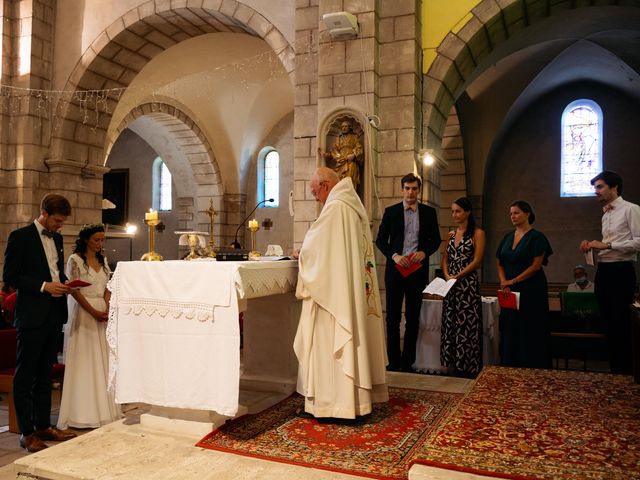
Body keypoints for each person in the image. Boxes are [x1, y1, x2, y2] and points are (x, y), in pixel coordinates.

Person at [294, 167, 388, 419]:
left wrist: (302, 255)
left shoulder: (336, 208)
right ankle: (354, 404)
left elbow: (318, 249)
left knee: (329, 346)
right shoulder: (351, 204)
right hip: (345, 292)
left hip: (333, 299)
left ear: (325, 185)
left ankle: (333, 406)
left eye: (315, 192)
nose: (316, 198)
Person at [2, 193, 76, 452]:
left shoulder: (56, 238)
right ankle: (26, 432)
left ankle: (44, 425)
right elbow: (10, 276)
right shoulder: (20, 237)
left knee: (45, 375)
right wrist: (44, 286)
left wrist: (66, 283)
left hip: (54, 314)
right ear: (43, 212)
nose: (60, 225)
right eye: (57, 220)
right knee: (25, 376)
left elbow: (55, 271)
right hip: (32, 315)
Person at [57, 223, 121, 430]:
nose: (100, 244)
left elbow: (108, 287)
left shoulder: (103, 261)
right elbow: (74, 291)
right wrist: (93, 311)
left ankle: (104, 410)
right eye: (96, 240)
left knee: (102, 360)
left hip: (102, 310)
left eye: (102, 240)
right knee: (85, 360)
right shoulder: (74, 260)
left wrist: (107, 307)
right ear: (86, 239)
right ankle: (82, 412)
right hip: (84, 312)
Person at [375, 173, 441, 372]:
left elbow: (435, 240)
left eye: (414, 188)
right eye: (407, 188)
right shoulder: (391, 212)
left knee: (413, 317)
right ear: (402, 190)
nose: (410, 192)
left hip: (417, 271)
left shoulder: (429, 213)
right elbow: (380, 241)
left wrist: (424, 252)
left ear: (419, 190)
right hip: (395, 270)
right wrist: (394, 255)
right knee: (393, 317)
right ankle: (393, 360)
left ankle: (408, 361)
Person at [580, 171, 640, 374]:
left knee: (621, 323)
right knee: (607, 324)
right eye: (595, 187)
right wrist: (591, 247)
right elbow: (607, 246)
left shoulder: (631, 209)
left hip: (621, 272)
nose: (595, 191)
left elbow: (638, 242)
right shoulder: (606, 214)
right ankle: (615, 371)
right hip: (604, 271)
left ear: (614, 187)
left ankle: (626, 372)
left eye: (599, 186)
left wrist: (607, 245)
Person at [496, 200, 553, 368]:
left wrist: (513, 281)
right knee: (510, 326)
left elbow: (536, 266)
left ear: (527, 214)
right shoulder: (507, 236)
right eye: (511, 213)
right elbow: (499, 261)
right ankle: (510, 363)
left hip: (531, 288)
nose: (513, 216)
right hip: (509, 289)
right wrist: (503, 282)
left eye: (516, 213)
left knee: (529, 326)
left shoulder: (537, 237)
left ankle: (532, 364)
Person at [440, 197, 485, 378]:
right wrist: (447, 276)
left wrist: (458, 275)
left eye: (458, 211)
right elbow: (445, 258)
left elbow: (477, 260)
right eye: (452, 211)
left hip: (467, 285)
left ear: (467, 212)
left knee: (467, 324)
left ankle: (467, 366)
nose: (454, 215)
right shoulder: (451, 234)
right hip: (451, 285)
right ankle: (452, 364)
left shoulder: (478, 233)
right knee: (451, 323)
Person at [318, 120, 364, 191]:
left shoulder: (354, 137)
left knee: (350, 183)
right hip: (340, 163)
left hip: (350, 163)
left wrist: (354, 155)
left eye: (345, 126)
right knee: (339, 184)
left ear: (349, 127)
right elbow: (334, 152)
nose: (344, 128)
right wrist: (325, 154)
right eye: (342, 127)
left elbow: (359, 148)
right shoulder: (338, 139)